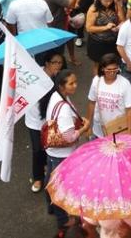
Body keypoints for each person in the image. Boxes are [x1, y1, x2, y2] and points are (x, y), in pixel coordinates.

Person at [42, 69, 90, 235]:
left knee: (50, 181)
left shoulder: (57, 96)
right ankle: (63, 219)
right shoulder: (63, 109)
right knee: (61, 189)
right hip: (63, 155)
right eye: (71, 83)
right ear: (62, 86)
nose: (75, 85)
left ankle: (51, 207)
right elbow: (69, 137)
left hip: (52, 150)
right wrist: (83, 129)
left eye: (75, 81)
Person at [24, 51, 63, 193]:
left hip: (51, 120)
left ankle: (48, 169)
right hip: (34, 120)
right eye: (54, 62)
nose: (58, 66)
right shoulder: (34, 75)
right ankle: (38, 177)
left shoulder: (59, 78)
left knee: (50, 147)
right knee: (37, 149)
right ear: (46, 63)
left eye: (60, 62)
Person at [86, 53, 131, 138]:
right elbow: (92, 103)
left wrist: (130, 131)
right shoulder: (97, 80)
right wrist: (88, 126)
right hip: (98, 129)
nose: (112, 72)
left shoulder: (125, 83)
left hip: (118, 129)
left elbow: (129, 110)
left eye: (115, 69)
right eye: (108, 70)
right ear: (102, 69)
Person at [85, 0, 125, 75]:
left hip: (113, 41)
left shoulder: (116, 5)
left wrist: (118, 27)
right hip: (98, 42)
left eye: (110, 0)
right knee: (98, 64)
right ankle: (97, 83)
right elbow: (89, 28)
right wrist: (106, 27)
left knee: (113, 63)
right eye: (106, 1)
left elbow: (122, 20)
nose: (108, 3)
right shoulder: (93, 9)